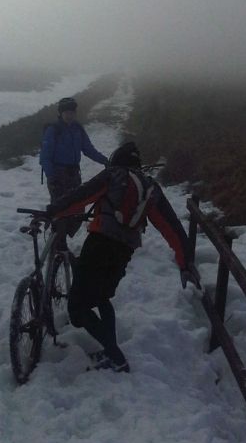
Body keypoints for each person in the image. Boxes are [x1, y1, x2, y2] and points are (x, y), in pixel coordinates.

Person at [45, 141, 200, 373]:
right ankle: (111, 353)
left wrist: (52, 211)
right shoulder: (150, 187)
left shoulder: (114, 175)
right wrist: (185, 262)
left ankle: (116, 357)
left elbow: (81, 196)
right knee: (102, 297)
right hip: (124, 250)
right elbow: (172, 228)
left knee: (77, 310)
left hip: (99, 244)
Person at [40, 96, 108, 246]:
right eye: (66, 112)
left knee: (77, 207)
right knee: (60, 209)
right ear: (60, 113)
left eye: (72, 111)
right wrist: (52, 177)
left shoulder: (78, 129)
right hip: (58, 174)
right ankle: (58, 241)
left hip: (73, 174)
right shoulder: (53, 130)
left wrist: (107, 161)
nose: (69, 115)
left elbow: (89, 149)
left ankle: (62, 235)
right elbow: (45, 157)